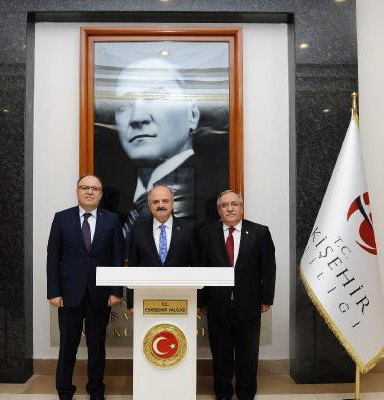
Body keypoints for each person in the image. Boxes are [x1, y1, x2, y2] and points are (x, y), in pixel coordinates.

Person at [113, 57, 227, 237]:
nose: (137, 117)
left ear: (192, 113)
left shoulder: (215, 195)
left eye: (157, 97)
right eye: (123, 104)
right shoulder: (114, 200)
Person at [46, 175, 124, 400]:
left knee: (97, 347)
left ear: (101, 194)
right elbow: (53, 257)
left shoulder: (112, 220)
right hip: (68, 294)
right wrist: (54, 291)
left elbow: (117, 257)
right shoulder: (62, 218)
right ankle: (64, 391)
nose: (90, 192)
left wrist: (116, 290)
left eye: (95, 188)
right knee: (67, 346)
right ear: (77, 191)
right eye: (85, 187)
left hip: (100, 294)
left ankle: (96, 391)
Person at [198, 190, 276, 400]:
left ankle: (246, 392)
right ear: (219, 210)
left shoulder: (260, 232)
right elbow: (201, 268)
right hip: (217, 305)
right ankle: (223, 393)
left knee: (248, 355)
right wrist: (201, 301)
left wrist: (266, 298)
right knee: (220, 354)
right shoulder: (206, 234)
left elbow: (268, 268)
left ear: (242, 207)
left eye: (234, 204)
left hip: (249, 305)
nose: (230, 208)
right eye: (225, 205)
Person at [126, 185, 199, 312]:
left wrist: (198, 302)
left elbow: (196, 266)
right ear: (150, 206)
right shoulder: (138, 231)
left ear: (172, 204)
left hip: (182, 299)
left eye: (165, 201)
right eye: (155, 202)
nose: (160, 205)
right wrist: (131, 303)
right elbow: (133, 268)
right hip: (146, 299)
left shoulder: (188, 230)